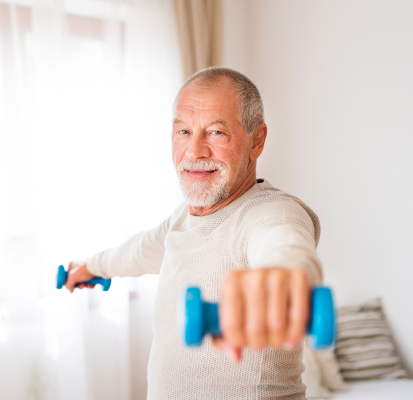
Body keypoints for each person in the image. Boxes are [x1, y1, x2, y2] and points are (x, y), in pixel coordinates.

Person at [66, 67, 322, 400]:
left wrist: (281, 284)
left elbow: (286, 247)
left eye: (216, 132)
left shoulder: (271, 212)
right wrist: (92, 266)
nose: (194, 151)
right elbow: (139, 250)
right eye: (184, 131)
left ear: (256, 141)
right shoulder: (182, 220)